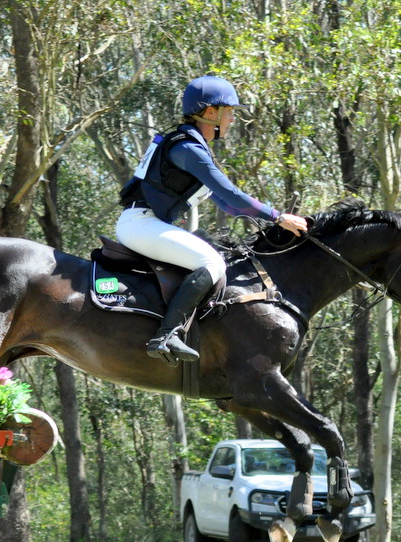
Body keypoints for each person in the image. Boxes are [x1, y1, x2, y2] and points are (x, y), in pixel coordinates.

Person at [117, 75, 309, 365]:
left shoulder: (190, 145)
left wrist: (276, 227)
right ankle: (166, 335)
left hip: (146, 224)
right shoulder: (187, 149)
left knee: (217, 256)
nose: (233, 120)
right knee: (212, 264)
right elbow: (231, 193)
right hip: (141, 224)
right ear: (211, 113)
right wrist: (278, 216)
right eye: (230, 112)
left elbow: (228, 206)